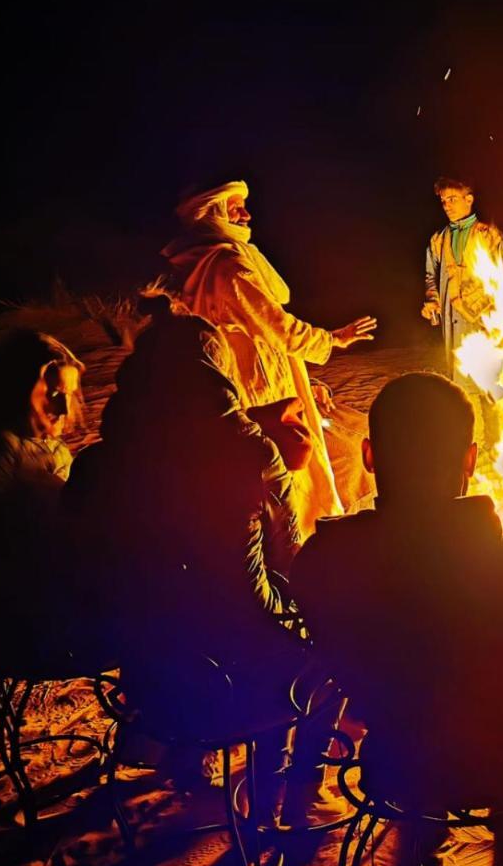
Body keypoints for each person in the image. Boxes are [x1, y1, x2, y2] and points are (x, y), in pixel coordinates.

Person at [290, 372, 503, 866]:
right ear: (470, 460)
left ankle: (422, 813)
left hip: (393, 762)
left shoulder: (322, 561)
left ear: (369, 456)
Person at [61, 295, 335, 825]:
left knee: (184, 619)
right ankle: (292, 790)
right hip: (238, 680)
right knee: (325, 658)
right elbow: (291, 557)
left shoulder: (97, 463)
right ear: (218, 372)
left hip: (148, 680)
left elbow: (89, 561)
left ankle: (189, 756)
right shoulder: (248, 452)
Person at [163, 179, 377, 535]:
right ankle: (294, 553)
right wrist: (333, 340)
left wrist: (308, 381)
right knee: (285, 469)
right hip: (259, 386)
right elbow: (277, 328)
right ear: (212, 212)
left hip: (263, 376)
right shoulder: (226, 267)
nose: (246, 214)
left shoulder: (205, 260)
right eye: (235, 208)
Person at [0, 331, 87, 676]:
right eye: (54, 395)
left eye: (69, 396)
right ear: (17, 390)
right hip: (25, 623)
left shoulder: (57, 451)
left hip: (57, 603)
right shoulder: (3, 450)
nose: (63, 409)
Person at [422, 177, 503, 444]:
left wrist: (498, 310)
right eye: (443, 201)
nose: (447, 206)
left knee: (490, 382)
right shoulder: (439, 239)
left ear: (468, 199)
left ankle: (497, 441)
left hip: (486, 321)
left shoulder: (489, 235)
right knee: (461, 383)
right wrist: (432, 301)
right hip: (454, 321)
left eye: (452, 199)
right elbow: (431, 276)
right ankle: (468, 442)